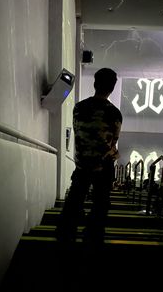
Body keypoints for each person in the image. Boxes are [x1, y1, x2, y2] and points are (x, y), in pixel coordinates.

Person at [56, 68, 122, 245]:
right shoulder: (115, 114)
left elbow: (79, 133)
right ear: (112, 88)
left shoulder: (79, 107)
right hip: (103, 166)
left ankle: (65, 233)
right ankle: (92, 237)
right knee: (100, 204)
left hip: (82, 164)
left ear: (95, 84)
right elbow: (112, 142)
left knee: (75, 199)